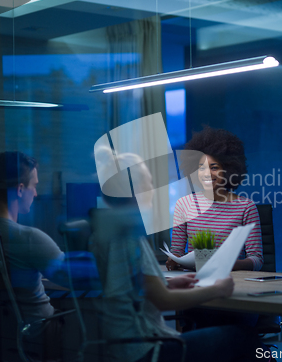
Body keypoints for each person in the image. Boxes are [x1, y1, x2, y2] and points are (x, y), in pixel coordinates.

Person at [89, 152, 268, 362]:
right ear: (134, 189)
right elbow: (163, 300)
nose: (154, 192)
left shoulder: (105, 231)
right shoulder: (128, 237)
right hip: (145, 349)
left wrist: (170, 284)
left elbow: (129, 288)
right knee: (244, 339)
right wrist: (216, 289)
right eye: (150, 183)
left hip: (127, 344)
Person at [0, 151, 66, 360]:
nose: (36, 193)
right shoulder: (28, 238)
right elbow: (71, 278)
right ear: (20, 190)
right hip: (37, 338)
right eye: (34, 186)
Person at [167, 126, 263, 272]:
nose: (206, 173)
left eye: (214, 167)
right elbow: (176, 251)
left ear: (229, 169)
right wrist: (173, 260)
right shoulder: (184, 204)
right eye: (201, 167)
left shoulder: (246, 207)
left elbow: (257, 259)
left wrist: (228, 264)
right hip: (195, 280)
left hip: (233, 281)